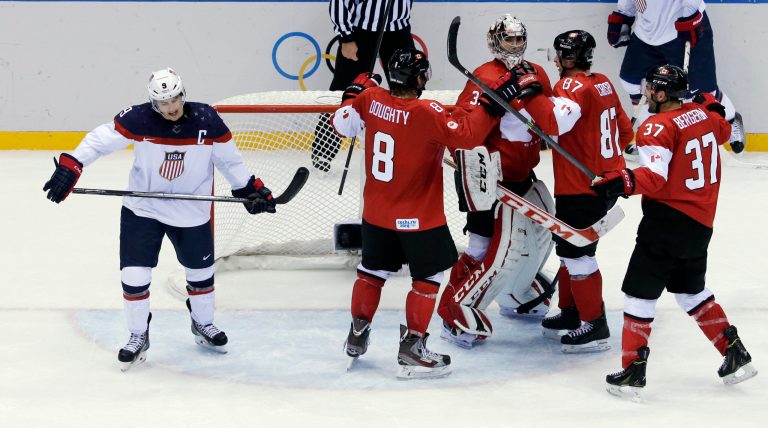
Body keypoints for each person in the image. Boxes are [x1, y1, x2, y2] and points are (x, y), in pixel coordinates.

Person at [43, 68, 276, 370]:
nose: (171, 107)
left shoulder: (207, 120)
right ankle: (138, 334)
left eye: (175, 99)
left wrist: (248, 188)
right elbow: (100, 140)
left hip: (191, 211)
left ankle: (203, 324)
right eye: (163, 103)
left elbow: (229, 159)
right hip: (144, 209)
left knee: (200, 272)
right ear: (154, 102)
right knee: (134, 277)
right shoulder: (138, 119)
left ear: (183, 94)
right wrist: (72, 165)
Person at [331, 48, 505, 378]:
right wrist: (490, 104)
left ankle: (357, 333)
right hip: (418, 217)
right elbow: (467, 136)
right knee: (428, 278)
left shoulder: (370, 99)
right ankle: (413, 347)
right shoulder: (428, 112)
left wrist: (352, 92)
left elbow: (342, 123)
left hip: (376, 212)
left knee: (373, 270)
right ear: (419, 78)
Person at [591, 65, 757, 399]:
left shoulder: (655, 128)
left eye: (651, 88)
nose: (647, 93)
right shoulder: (700, 115)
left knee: (639, 294)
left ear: (663, 94)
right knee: (690, 291)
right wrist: (712, 107)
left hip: (667, 222)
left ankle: (633, 371)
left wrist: (621, 180)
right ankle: (734, 352)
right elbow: (724, 129)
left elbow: (655, 177)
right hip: (700, 224)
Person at [436, 15, 566, 349]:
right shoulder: (483, 77)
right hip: (486, 180)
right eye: (507, 41)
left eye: (518, 41)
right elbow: (463, 137)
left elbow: (548, 125)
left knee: (531, 241)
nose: (514, 47)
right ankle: (451, 309)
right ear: (495, 42)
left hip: (523, 176)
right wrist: (495, 102)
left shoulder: (536, 72)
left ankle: (518, 293)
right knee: (482, 248)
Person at [529, 30, 634, 353]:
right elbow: (626, 131)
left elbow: (552, 124)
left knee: (578, 255)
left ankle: (594, 324)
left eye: (559, 54)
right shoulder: (602, 81)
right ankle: (572, 312)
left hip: (581, 187)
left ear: (569, 58)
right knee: (568, 248)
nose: (556, 60)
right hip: (608, 181)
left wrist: (531, 96)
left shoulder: (570, 86)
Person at [606, 0, 745, 154]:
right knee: (630, 81)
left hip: (682, 29)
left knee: (700, 92)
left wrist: (690, 18)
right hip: (646, 34)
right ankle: (651, 138)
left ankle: (731, 120)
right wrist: (623, 17)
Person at [312, 0, 416, 172]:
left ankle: (414, 148)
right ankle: (323, 151)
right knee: (342, 91)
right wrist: (346, 37)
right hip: (361, 32)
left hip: (398, 31)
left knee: (409, 91)